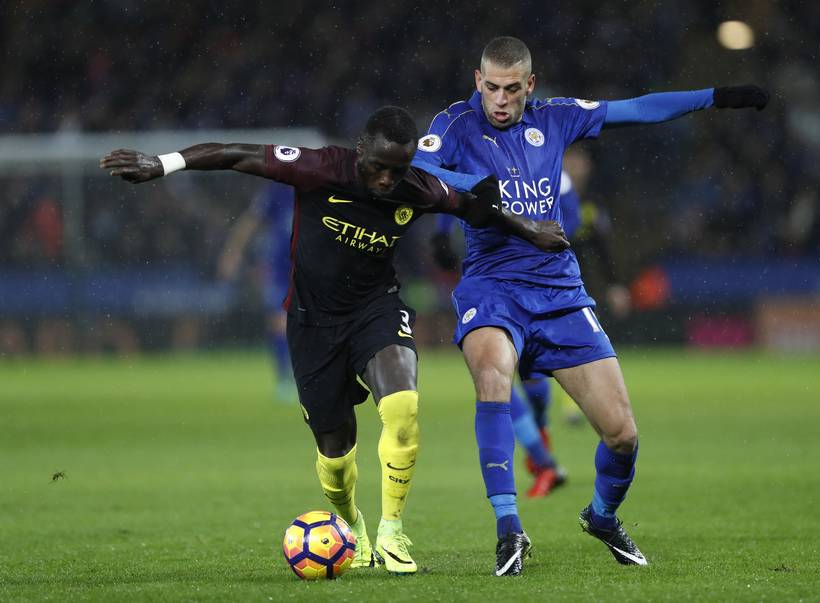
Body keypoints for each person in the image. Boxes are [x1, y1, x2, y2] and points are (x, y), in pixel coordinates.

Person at [100, 105, 569, 575]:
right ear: (360, 150)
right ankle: (352, 527)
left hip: (375, 309)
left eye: (398, 169)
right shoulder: (321, 168)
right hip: (312, 323)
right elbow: (233, 154)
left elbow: (473, 207)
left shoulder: (417, 188)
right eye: (379, 166)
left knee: (403, 406)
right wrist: (162, 164)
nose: (387, 180)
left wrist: (528, 228)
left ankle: (392, 531)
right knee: (335, 448)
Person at [418, 36, 769, 575]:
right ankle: (509, 528)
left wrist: (715, 96)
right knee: (493, 380)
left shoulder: (557, 118)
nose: (501, 100)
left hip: (560, 294)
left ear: (530, 86)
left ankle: (602, 516)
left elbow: (640, 109)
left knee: (623, 434)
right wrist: (476, 187)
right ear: (477, 81)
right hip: (492, 287)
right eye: (491, 87)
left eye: (513, 89)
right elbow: (418, 172)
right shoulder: (454, 124)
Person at [217, 182, 298, 403]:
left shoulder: (322, 187)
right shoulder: (277, 190)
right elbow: (250, 221)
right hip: (280, 268)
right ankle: (285, 380)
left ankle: (315, 377)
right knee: (279, 322)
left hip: (312, 265)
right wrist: (232, 253)